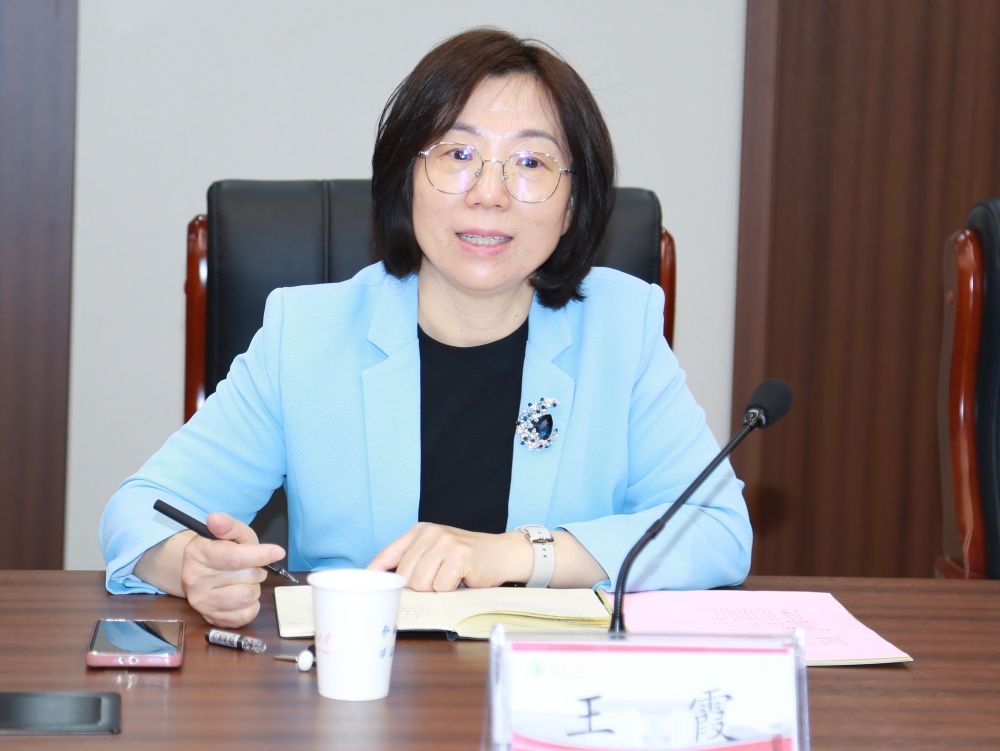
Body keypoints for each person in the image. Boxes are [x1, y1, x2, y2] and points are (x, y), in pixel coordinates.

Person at [100, 28, 752, 628]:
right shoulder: (308, 335)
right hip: (357, 683)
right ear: (405, 179)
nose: (489, 193)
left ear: (573, 203)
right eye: (458, 153)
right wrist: (189, 563)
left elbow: (719, 529)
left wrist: (518, 553)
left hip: (550, 687)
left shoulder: (621, 327)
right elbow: (140, 509)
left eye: (530, 163)